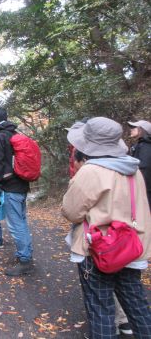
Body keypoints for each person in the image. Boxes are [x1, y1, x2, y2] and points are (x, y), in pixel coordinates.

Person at [62, 117, 151, 339]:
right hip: (130, 246)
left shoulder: (91, 171)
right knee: (136, 305)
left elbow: (71, 211)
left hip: (98, 248)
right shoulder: (133, 169)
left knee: (100, 307)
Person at [0, 107, 34, 276]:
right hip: (22, 184)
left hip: (11, 187)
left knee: (16, 224)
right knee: (21, 221)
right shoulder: (16, 135)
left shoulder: (0, 137)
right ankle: (25, 254)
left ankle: (25, 261)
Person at [128, 120, 151, 211]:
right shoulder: (141, 144)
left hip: (145, 190)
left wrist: (138, 188)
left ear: (142, 130)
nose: (131, 130)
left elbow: (144, 168)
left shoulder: (145, 146)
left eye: (134, 128)